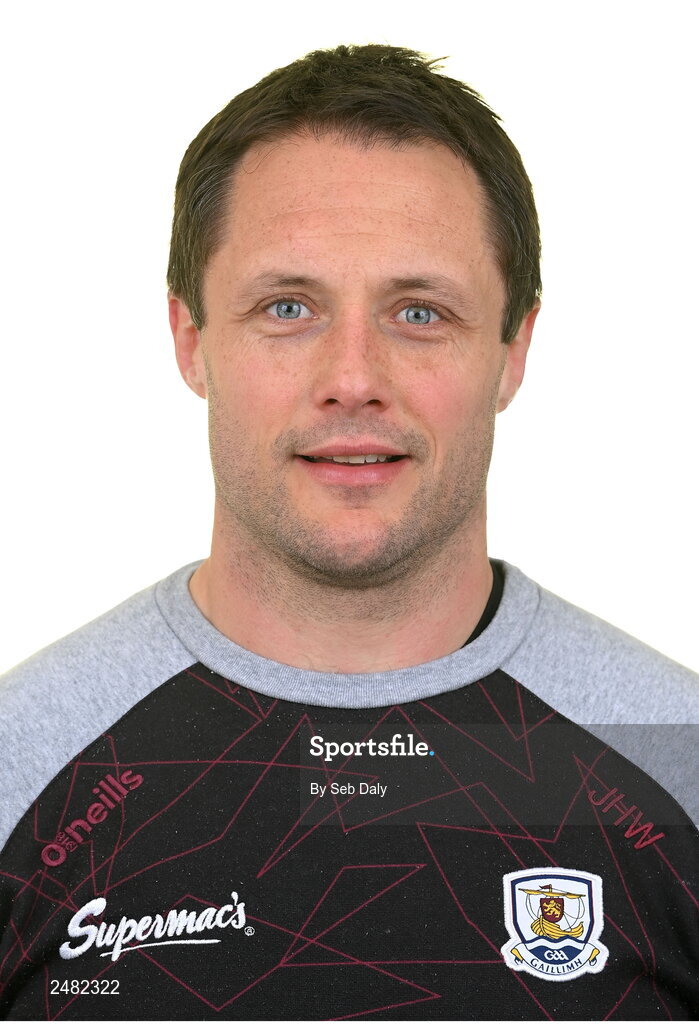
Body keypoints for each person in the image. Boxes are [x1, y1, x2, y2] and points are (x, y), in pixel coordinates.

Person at [0, 43, 696, 1021]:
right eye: (288, 307)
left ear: (513, 349)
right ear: (191, 339)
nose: (354, 377)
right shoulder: (22, 761)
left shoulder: (675, 756)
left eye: (420, 311)